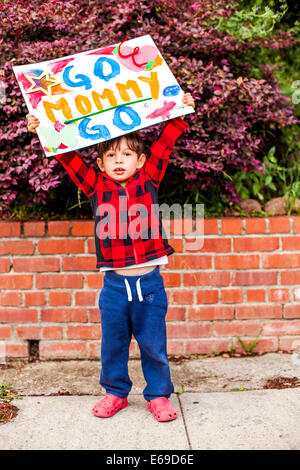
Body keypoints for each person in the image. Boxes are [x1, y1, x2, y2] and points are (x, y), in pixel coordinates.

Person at [27, 92, 195, 422]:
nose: (120, 160)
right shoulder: (95, 186)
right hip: (115, 288)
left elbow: (164, 145)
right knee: (113, 345)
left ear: (141, 161)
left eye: (127, 154)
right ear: (101, 164)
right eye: (111, 156)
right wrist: (43, 130)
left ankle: (159, 395)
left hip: (150, 286)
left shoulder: (150, 180)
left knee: (153, 346)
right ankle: (115, 393)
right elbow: (69, 158)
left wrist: (181, 112)